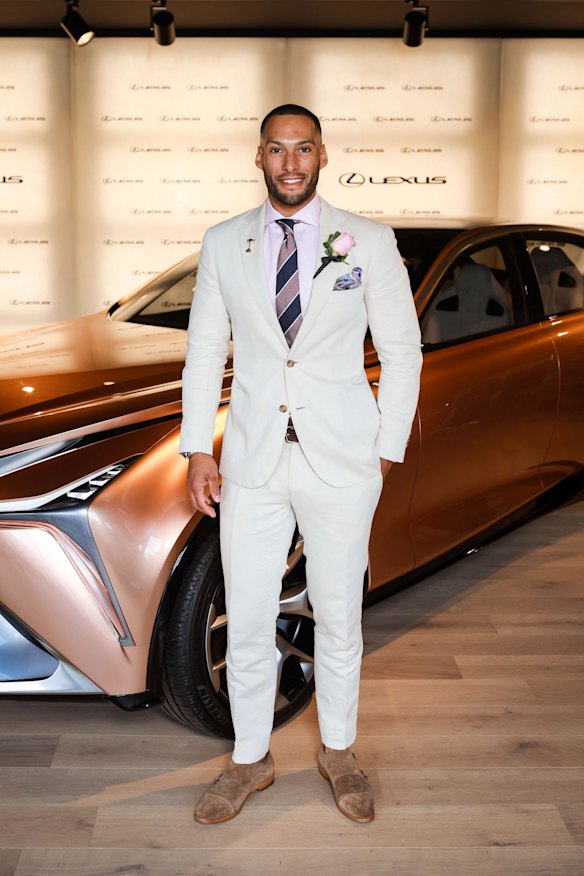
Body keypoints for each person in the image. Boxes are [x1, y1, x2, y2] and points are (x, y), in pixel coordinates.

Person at [179, 104, 422, 825]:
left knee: (339, 616)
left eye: (303, 148)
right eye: (277, 149)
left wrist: (385, 452)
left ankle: (339, 750)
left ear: (323, 155)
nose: (291, 162)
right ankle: (250, 760)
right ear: (259, 158)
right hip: (250, 460)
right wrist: (198, 446)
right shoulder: (224, 243)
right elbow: (203, 350)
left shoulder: (369, 242)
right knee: (249, 616)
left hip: (343, 460)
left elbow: (403, 351)